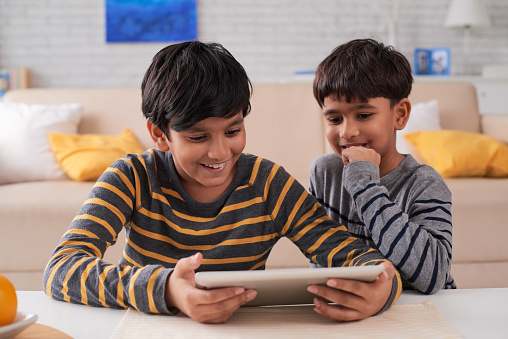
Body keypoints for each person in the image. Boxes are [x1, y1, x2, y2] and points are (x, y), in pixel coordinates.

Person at [43, 41, 401, 324]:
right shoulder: (133, 177)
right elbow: (61, 269)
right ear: (160, 134)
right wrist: (167, 289)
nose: (220, 152)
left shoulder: (267, 184)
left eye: (233, 131)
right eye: (198, 137)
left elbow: (354, 254)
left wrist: (384, 290)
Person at [309, 38, 456, 294]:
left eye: (364, 115)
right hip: (352, 308)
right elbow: (322, 256)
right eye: (334, 118)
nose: (347, 131)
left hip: (421, 311)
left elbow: (433, 276)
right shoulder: (324, 173)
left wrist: (364, 184)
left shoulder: (425, 184)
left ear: (399, 115)